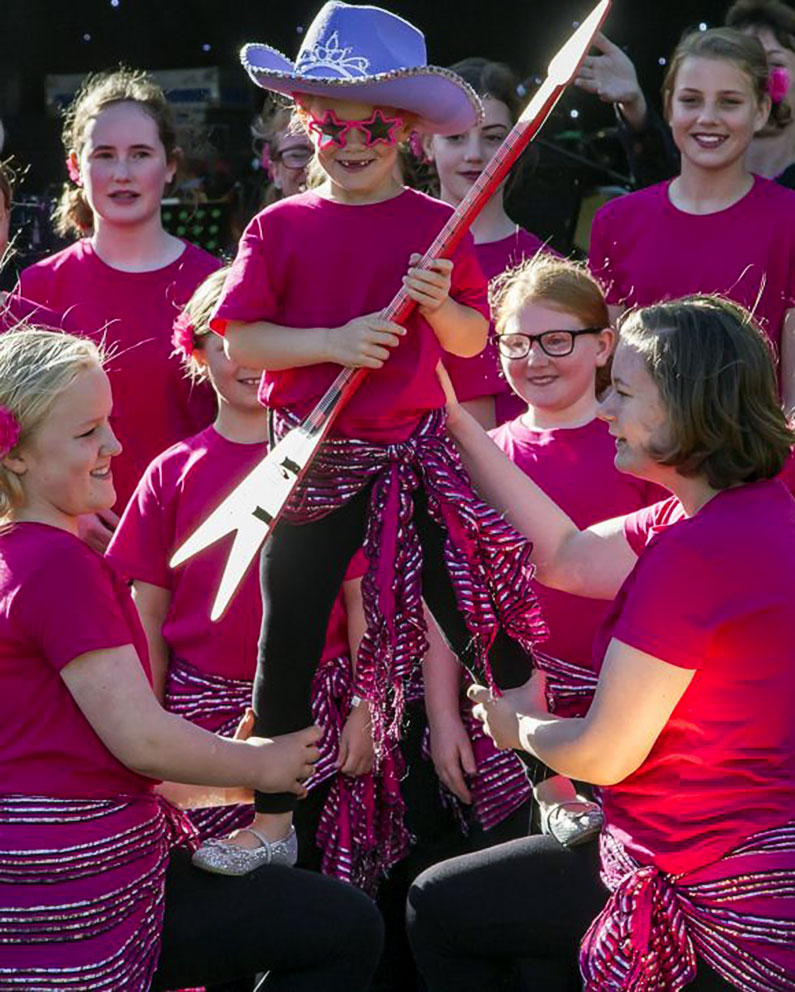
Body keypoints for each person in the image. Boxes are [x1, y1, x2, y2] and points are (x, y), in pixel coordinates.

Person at [192, 0, 545, 875]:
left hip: (418, 453)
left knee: (481, 612)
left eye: (374, 128)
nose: (351, 143)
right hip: (311, 458)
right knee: (289, 630)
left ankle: (554, 783)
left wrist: (436, 304)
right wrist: (335, 343)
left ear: (408, 134)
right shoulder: (276, 226)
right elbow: (241, 339)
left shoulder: (438, 225)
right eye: (332, 126)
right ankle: (272, 818)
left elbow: (473, 342)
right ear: (307, 126)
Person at [407, 294, 795, 991]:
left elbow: (604, 755)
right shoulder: (734, 510)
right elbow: (565, 556)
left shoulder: (696, 552)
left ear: (687, 403)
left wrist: (516, 724)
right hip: (711, 848)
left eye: (621, 391)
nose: (605, 410)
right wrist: (457, 425)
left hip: (707, 882)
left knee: (438, 907)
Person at [0, 325, 383, 992]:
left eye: (109, 424)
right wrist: (259, 763)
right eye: (88, 432)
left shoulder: (18, 556)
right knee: (344, 928)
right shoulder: (58, 564)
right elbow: (139, 740)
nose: (113, 445)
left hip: (45, 873)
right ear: (17, 454)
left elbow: (69, 749)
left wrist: (230, 785)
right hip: (76, 885)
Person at [106, 268, 407, 893]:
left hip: (311, 717)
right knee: (212, 883)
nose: (248, 359)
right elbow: (149, 615)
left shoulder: (326, 465)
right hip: (197, 719)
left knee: (312, 889)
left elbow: (362, 602)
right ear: (196, 349)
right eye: (229, 340)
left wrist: (365, 709)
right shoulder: (172, 471)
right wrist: (150, 721)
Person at [427, 255, 664, 849]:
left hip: (629, 712)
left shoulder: (640, 450)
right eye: (516, 342)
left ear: (604, 344)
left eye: (556, 340)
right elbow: (451, 595)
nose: (534, 358)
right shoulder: (481, 455)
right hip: (510, 713)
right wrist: (444, 715)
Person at [9, 67, 219, 527]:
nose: (122, 173)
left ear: (170, 166)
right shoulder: (40, 287)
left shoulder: (216, 284)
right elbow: (15, 435)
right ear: (74, 167)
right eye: (104, 155)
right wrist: (72, 513)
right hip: (70, 535)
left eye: (140, 154)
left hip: (193, 531)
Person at [588, 27, 795, 411]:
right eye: (691, 100)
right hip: (641, 460)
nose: (708, 117)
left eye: (729, 102)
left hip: (751, 461)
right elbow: (605, 377)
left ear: (761, 110)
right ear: (668, 107)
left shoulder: (789, 220)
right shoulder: (616, 221)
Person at [424, 58, 550, 429]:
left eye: (494, 137)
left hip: (513, 472)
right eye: (455, 137)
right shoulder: (392, 251)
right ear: (427, 145)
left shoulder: (544, 267)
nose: (475, 154)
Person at [577, 1, 795, 189]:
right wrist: (633, 103)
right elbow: (663, 183)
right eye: (748, 65)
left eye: (775, 63)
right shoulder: (706, 163)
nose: (760, 78)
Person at [252, 99, 313, 206]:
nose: (316, 166)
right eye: (298, 155)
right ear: (275, 170)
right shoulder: (263, 222)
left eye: (330, 153)